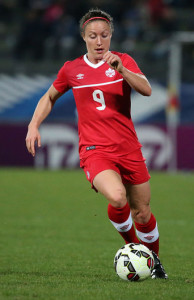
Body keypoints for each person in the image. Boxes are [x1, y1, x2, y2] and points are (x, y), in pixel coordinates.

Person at [26, 8, 168, 279]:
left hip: (128, 147)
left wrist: (122, 69)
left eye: (104, 35)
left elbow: (147, 90)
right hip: (95, 150)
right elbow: (50, 96)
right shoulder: (72, 69)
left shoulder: (123, 60)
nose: (99, 41)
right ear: (84, 37)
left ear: (111, 35)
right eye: (93, 36)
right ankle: (133, 248)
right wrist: (33, 125)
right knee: (116, 197)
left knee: (142, 212)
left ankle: (155, 262)